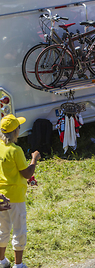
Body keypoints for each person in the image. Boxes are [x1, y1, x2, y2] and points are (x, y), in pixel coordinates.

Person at [0, 114, 40, 268]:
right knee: (19, 229)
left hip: (1, 195)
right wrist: (34, 159)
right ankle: (19, 264)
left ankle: (2, 260)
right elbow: (26, 173)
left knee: (3, 229)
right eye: (19, 127)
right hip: (15, 197)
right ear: (15, 132)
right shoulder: (16, 150)